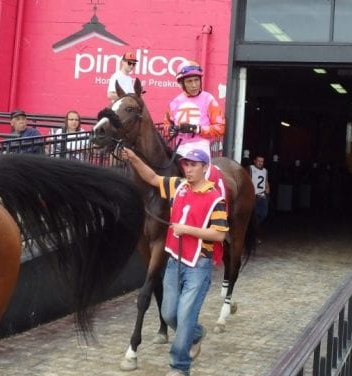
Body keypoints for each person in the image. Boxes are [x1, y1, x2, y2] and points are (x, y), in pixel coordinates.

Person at [120, 147, 228, 376]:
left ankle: (179, 367)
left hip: (198, 265)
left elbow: (219, 234)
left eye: (194, 165)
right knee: (170, 314)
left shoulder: (215, 198)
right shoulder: (178, 186)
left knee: (186, 316)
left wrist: (187, 229)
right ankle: (196, 334)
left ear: (205, 168)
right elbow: (151, 177)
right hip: (174, 262)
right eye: (186, 165)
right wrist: (134, 158)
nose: (188, 170)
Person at [164, 60, 225, 159]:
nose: (194, 85)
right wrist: (170, 130)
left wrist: (197, 129)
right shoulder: (174, 103)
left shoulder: (209, 99)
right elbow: (167, 125)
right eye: (189, 81)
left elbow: (220, 128)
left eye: (196, 80)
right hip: (180, 148)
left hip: (201, 146)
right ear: (181, 83)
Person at [249, 154, 270, 227]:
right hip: (253, 196)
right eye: (259, 161)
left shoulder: (265, 170)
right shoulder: (250, 168)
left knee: (263, 214)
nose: (260, 163)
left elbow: (266, 182)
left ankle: (253, 227)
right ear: (254, 161)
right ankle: (252, 230)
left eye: (262, 161)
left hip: (262, 196)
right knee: (252, 214)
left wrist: (267, 194)